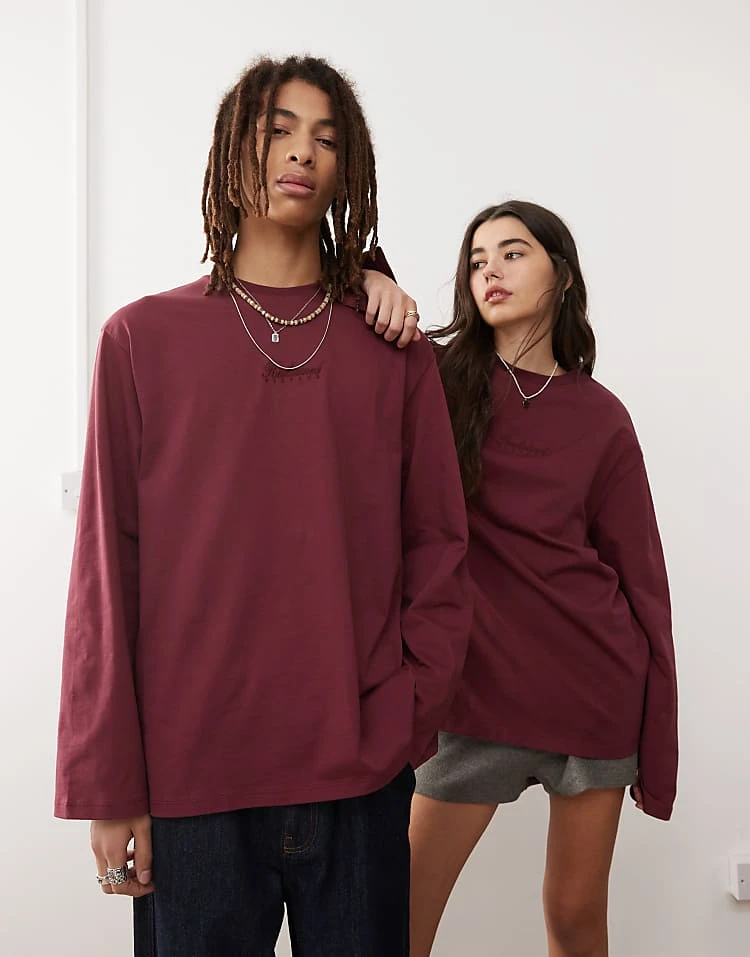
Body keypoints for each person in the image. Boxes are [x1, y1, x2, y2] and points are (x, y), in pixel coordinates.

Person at [54, 54, 472, 957]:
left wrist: (406, 713)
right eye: (278, 130)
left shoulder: (392, 349)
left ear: (348, 169)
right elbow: (105, 574)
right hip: (192, 784)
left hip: (359, 777)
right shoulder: (141, 340)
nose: (302, 153)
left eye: (326, 138)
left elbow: (439, 543)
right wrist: (107, 783)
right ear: (231, 151)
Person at [368, 200, 678, 957]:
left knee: (574, 918)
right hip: (474, 692)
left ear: (561, 276)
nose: (490, 272)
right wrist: (373, 280)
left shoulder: (602, 417)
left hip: (592, 687)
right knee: (394, 921)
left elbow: (642, 578)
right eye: (477, 260)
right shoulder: (434, 376)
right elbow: (349, 324)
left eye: (512, 253)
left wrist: (660, 745)